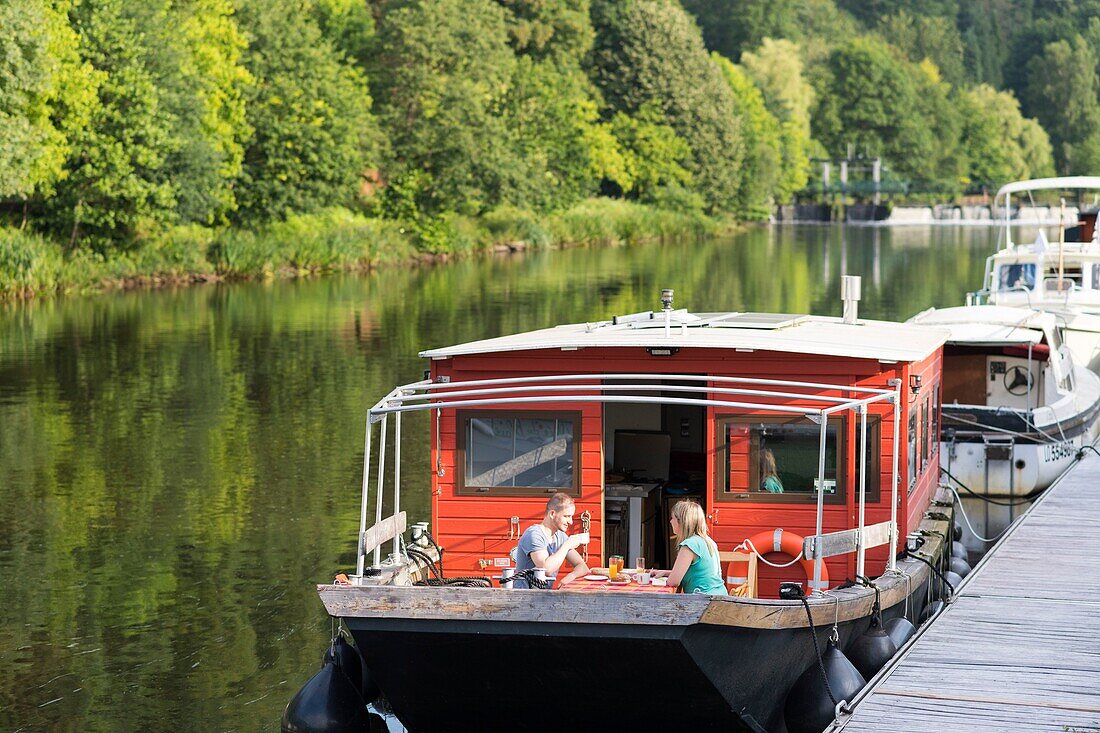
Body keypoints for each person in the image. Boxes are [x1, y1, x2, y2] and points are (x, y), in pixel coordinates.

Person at [513, 492, 590, 589]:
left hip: (543, 597)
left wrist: (570, 577)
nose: (571, 522)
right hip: (523, 598)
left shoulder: (561, 536)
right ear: (553, 514)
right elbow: (546, 569)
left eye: (571, 516)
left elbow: (583, 567)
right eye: (566, 516)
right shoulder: (534, 534)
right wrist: (567, 545)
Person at [654, 500, 728, 595]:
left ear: (682, 522)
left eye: (672, 518)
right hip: (720, 597)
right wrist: (666, 573)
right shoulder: (708, 541)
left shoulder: (689, 545)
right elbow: (698, 574)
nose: (670, 521)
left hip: (704, 601)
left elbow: (673, 582)